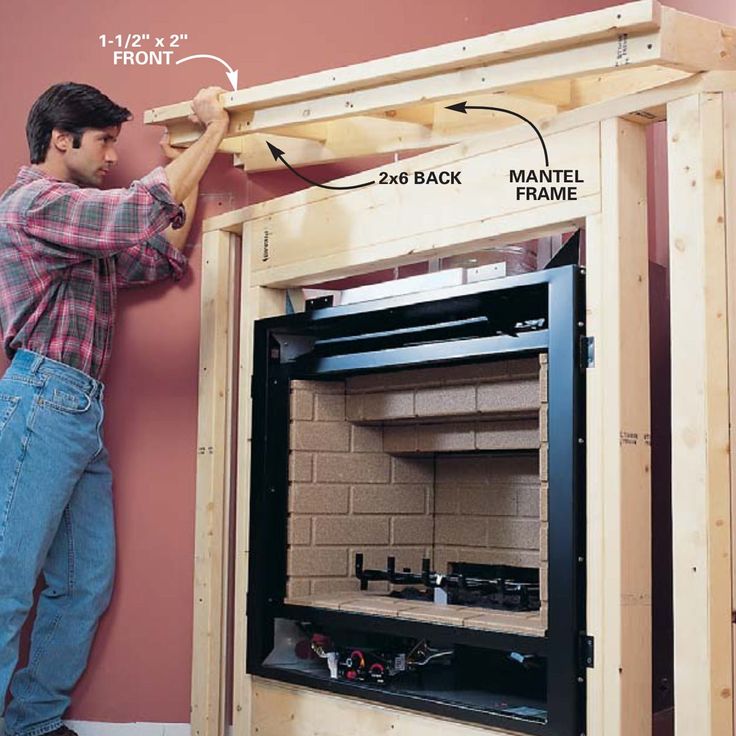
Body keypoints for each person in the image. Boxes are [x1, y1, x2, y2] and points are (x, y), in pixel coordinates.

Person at [0, 82, 230, 736]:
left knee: (82, 587)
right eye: (102, 140)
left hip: (78, 414)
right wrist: (212, 133)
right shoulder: (34, 204)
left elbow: (158, 253)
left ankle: (32, 727)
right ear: (60, 138)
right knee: (7, 590)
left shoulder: (81, 231)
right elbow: (135, 213)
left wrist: (185, 161)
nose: (109, 156)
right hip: (41, 401)